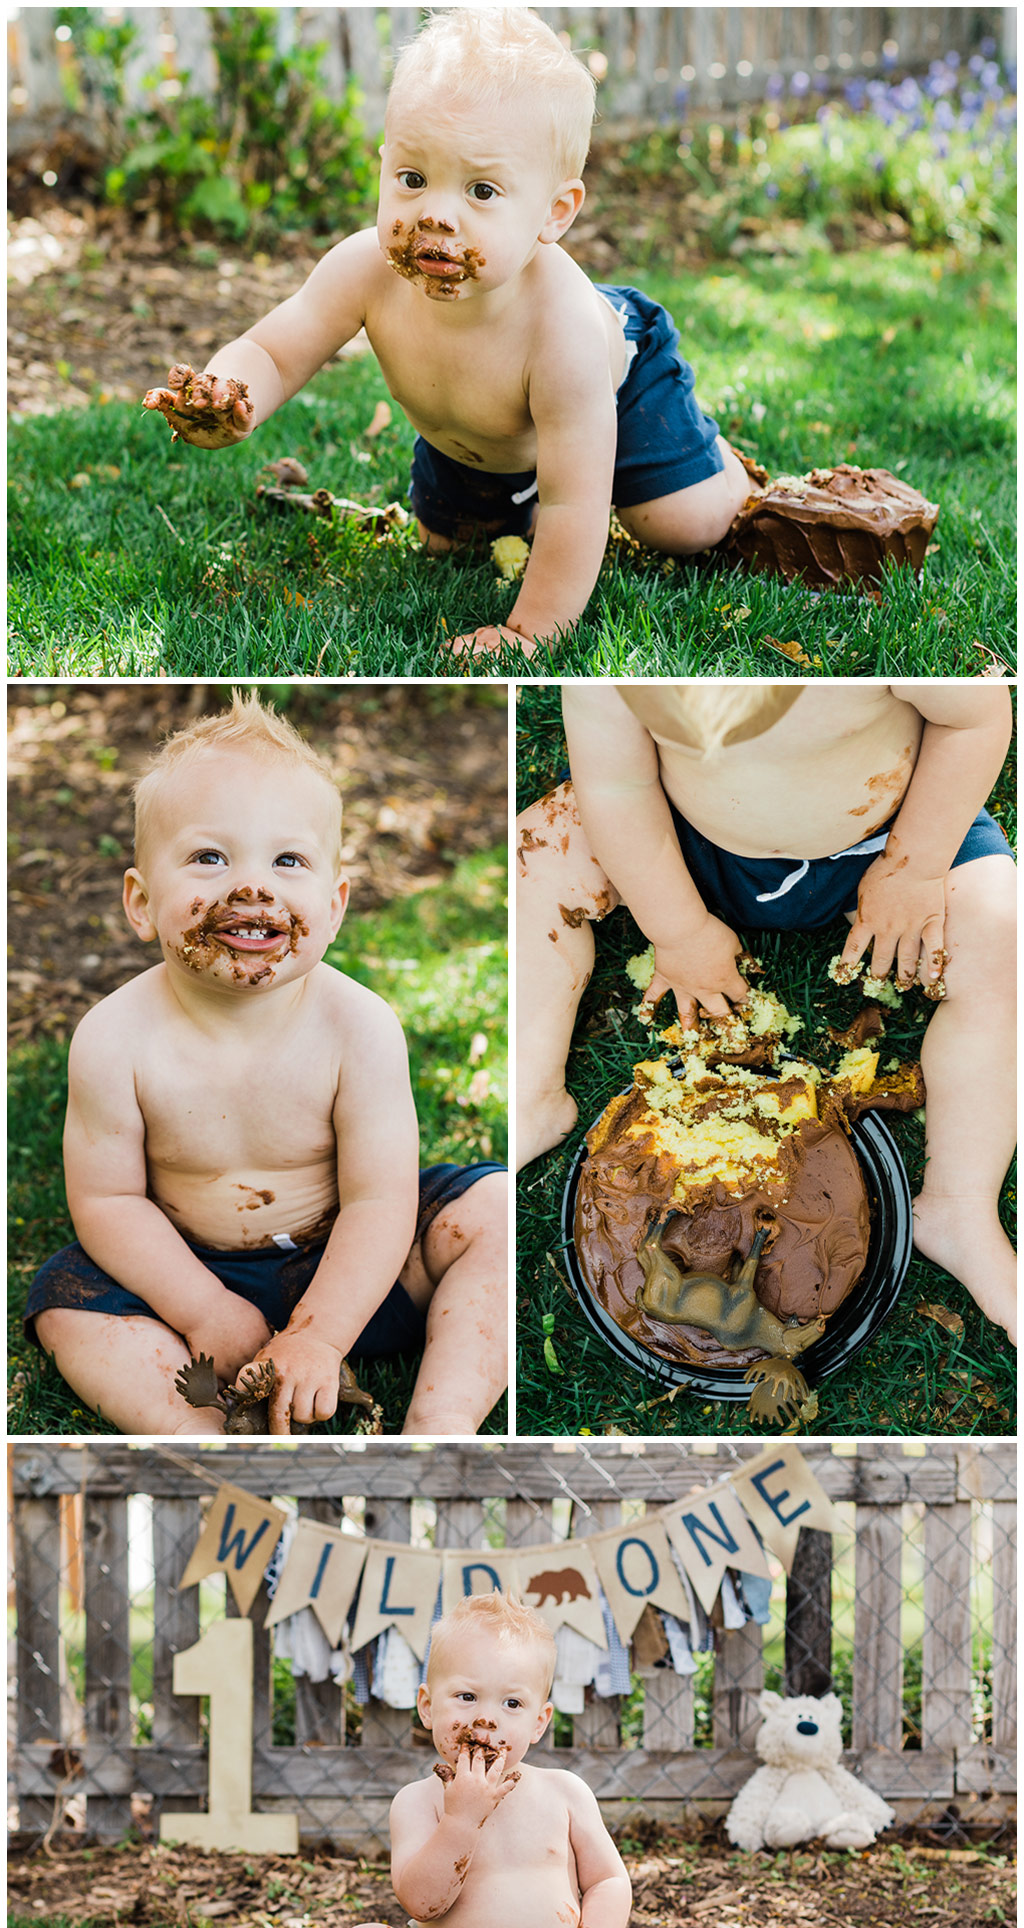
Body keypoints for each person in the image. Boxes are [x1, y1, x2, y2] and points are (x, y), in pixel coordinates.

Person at [142, 7, 749, 661]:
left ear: (554, 213)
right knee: (446, 544)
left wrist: (530, 631)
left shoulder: (562, 330)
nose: (435, 212)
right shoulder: (362, 271)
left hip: (619, 388)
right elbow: (271, 350)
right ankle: (515, 494)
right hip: (474, 439)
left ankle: (728, 474)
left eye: (482, 190)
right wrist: (231, 399)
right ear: (383, 166)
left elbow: (576, 502)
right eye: (411, 179)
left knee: (680, 526)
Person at [25, 694, 507, 1436]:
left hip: (353, 1269)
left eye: (288, 860)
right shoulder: (112, 1039)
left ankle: (437, 1428)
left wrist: (321, 1331)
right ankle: (209, 1435)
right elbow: (108, 1203)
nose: (252, 888)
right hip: (186, 1275)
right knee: (64, 1302)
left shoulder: (360, 1027)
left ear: (336, 904)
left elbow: (381, 1202)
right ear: (140, 901)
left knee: (493, 1210)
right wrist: (203, 1309)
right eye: (208, 856)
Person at [516, 680, 1016, 1341]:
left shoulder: (869, 637)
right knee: (530, 863)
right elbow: (616, 790)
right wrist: (677, 927)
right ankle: (529, 1096)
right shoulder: (617, 676)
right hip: (675, 840)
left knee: (1004, 944)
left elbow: (975, 723)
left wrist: (915, 866)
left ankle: (959, 1203)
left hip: (883, 841)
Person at [312, 1592, 713, 1928]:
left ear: (539, 1721)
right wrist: (461, 1820)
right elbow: (422, 1903)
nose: (487, 1718)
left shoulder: (565, 1792)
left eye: (512, 1702)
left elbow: (608, 1881)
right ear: (426, 1706)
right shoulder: (418, 1801)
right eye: (465, 1697)